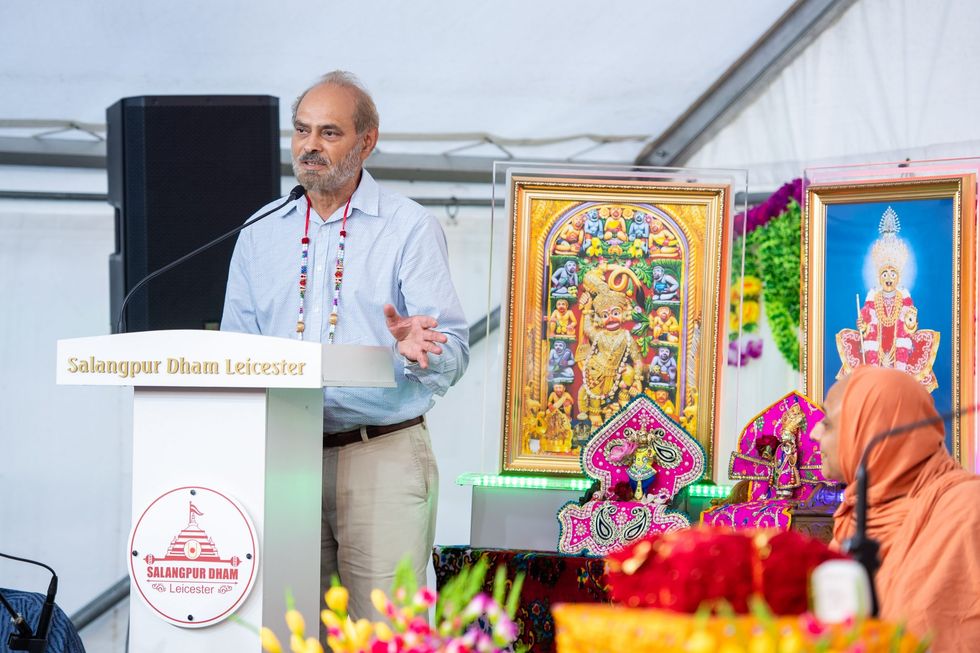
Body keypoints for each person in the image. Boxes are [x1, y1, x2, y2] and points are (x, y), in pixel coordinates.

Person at [221, 71, 469, 619]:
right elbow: (233, 353)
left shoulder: (408, 228)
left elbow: (452, 349)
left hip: (379, 450)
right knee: (295, 628)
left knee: (385, 630)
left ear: (366, 141)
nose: (310, 146)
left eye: (329, 132)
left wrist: (421, 349)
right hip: (285, 463)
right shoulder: (260, 231)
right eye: (302, 131)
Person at [812, 366, 980, 650]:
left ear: (871, 433)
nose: (814, 433)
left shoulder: (967, 510)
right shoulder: (857, 513)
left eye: (827, 423)